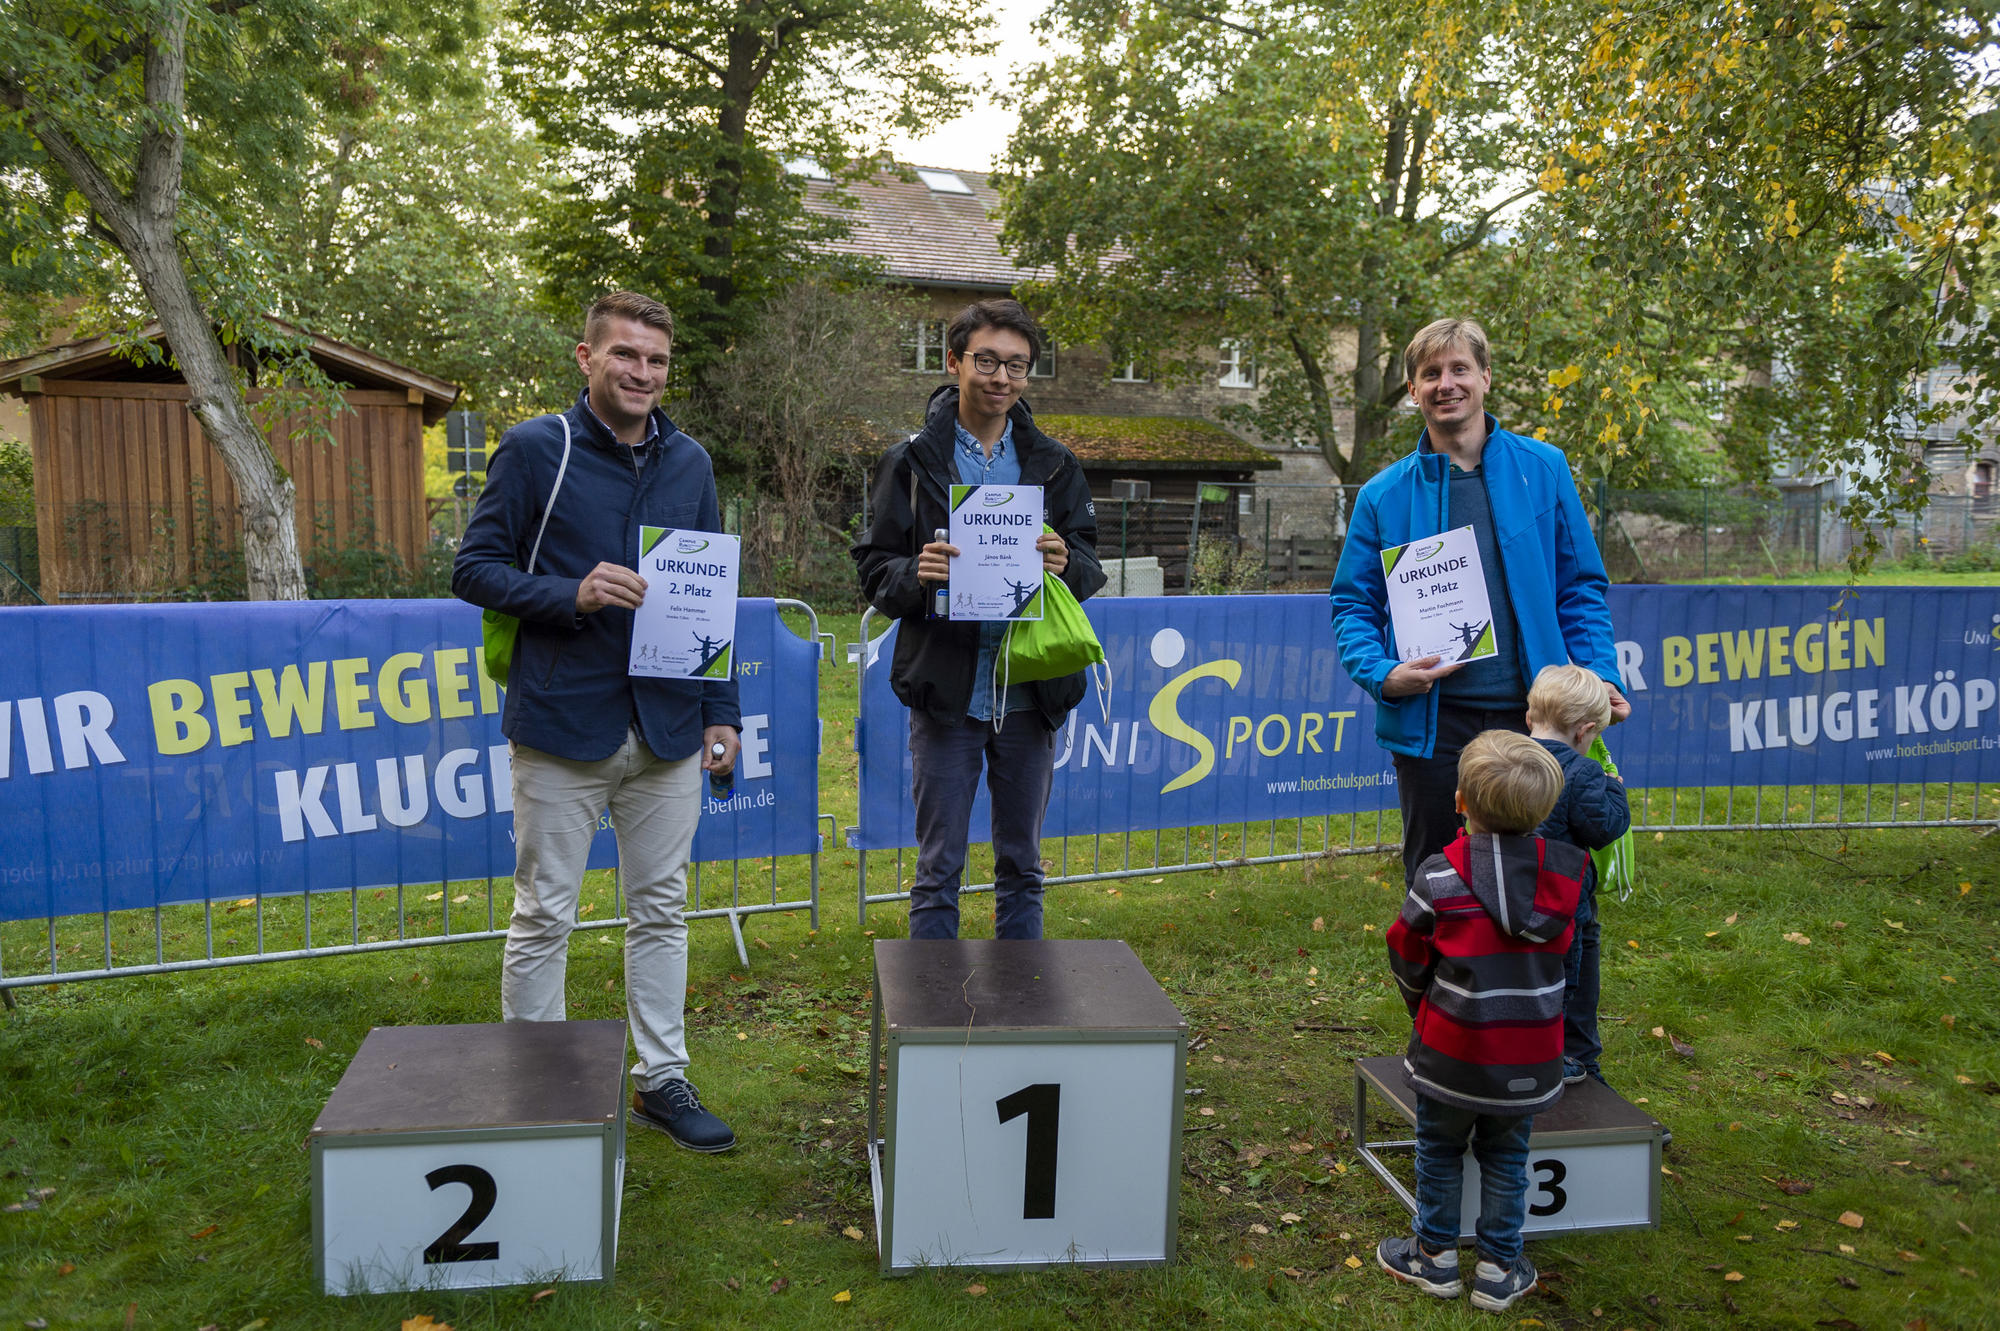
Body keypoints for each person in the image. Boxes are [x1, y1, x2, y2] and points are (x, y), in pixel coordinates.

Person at [453, 290, 741, 1153]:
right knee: (546, 912)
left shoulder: (690, 461)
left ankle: (662, 1079)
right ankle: (540, 1084)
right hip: (562, 722)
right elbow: (474, 568)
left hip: (667, 728)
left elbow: (709, 591)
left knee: (661, 908)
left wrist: (721, 711)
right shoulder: (538, 447)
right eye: (625, 355)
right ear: (587, 358)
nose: (642, 372)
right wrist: (567, 595)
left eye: (656, 360)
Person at [1329, 318, 1628, 889]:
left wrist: (1599, 675)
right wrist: (1384, 673)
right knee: (1435, 880)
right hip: (1432, 726)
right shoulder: (1382, 495)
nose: (1447, 383)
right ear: (1413, 391)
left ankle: (1541, 982)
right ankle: (1438, 982)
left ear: (1485, 378)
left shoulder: (1543, 468)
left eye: (1459, 368)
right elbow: (1352, 607)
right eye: (1430, 374)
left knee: (1542, 882)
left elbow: (1580, 588)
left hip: (1536, 718)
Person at [851, 298, 1106, 940]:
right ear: (954, 362)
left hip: (1030, 693)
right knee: (939, 867)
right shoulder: (908, 462)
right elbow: (874, 567)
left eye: (1016, 366)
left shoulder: (1054, 463)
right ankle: (933, 1022)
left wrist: (1063, 559)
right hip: (947, 693)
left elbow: (1090, 563)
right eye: (987, 360)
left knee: (1022, 865)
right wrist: (918, 574)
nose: (1001, 377)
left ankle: (1019, 1018)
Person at [1375, 730, 1585, 1313]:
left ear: (1460, 800)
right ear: (1547, 807)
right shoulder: (1568, 876)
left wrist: (1423, 1005)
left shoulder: (1439, 875)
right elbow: (1567, 956)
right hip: (1531, 1051)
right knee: (1508, 1155)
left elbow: (1406, 950)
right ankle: (1498, 1268)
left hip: (1451, 1048)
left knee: (1439, 1148)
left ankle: (1433, 1257)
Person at [1525, 664, 1631, 1088]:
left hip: (1506, 893)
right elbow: (1602, 827)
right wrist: (1614, 787)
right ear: (1586, 731)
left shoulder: (1503, 756)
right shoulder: (1584, 772)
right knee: (1571, 984)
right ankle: (1572, 1062)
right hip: (1565, 902)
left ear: (1530, 719)